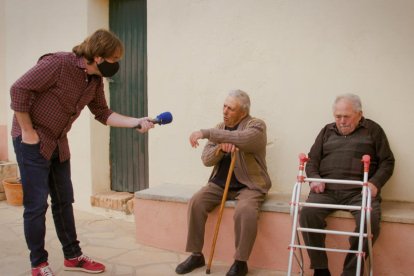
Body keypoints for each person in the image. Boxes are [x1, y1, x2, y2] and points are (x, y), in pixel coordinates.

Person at [10, 29, 154, 276]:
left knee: (64, 200)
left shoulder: (94, 80)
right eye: (114, 59)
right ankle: (38, 264)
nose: (117, 65)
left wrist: (136, 121)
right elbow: (18, 89)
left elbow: (103, 113)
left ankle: (73, 256)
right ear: (98, 57)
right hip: (31, 141)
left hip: (58, 141)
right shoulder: (58, 63)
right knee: (36, 206)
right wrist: (28, 131)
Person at [175, 90, 271, 276]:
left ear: (243, 112)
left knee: (245, 211)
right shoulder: (220, 127)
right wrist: (219, 149)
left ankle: (240, 262)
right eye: (224, 106)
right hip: (220, 184)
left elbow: (244, 139)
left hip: (250, 185)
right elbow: (206, 159)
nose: (225, 111)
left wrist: (207, 133)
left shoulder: (256, 125)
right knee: (196, 201)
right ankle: (196, 255)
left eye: (231, 108)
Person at [299, 93, 395, 276]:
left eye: (346, 116)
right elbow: (312, 161)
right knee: (308, 214)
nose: (341, 121)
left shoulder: (373, 130)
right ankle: (320, 269)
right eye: (337, 116)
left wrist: (375, 183)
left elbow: (387, 161)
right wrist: (314, 179)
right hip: (326, 190)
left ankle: (350, 272)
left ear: (359, 114)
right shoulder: (327, 130)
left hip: (359, 192)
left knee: (369, 221)